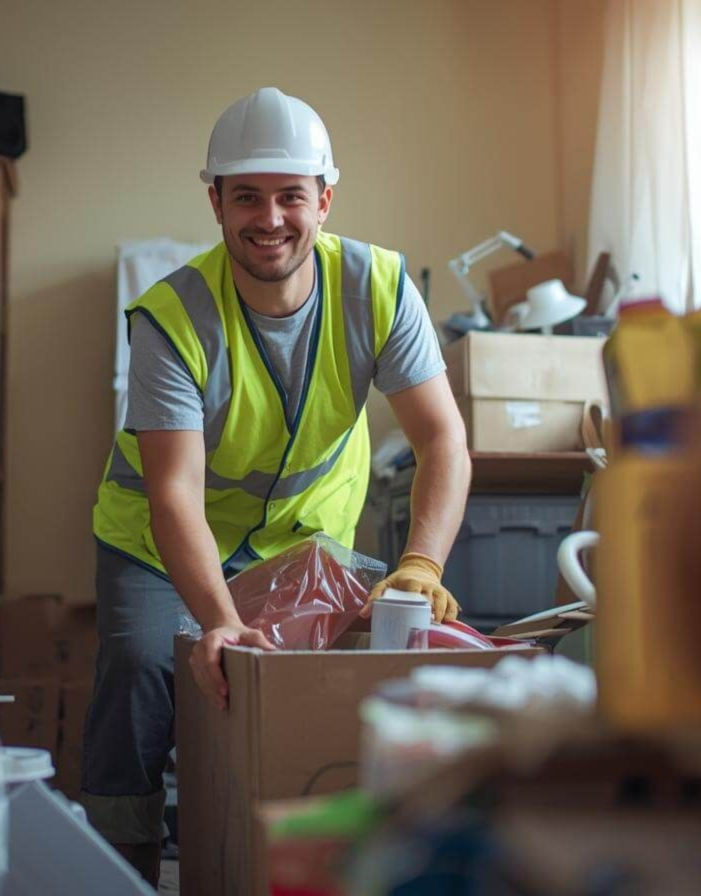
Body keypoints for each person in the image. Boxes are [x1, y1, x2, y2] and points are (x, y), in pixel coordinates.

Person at [81, 87, 471, 884]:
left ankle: (310, 852)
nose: (271, 219)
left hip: (305, 541)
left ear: (323, 200)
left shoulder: (380, 287)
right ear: (215, 202)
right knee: (142, 668)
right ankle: (124, 864)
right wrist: (220, 623)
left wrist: (422, 564)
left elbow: (444, 441)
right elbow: (173, 497)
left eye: (291, 196)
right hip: (158, 545)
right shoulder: (171, 318)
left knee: (356, 670)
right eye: (248, 197)